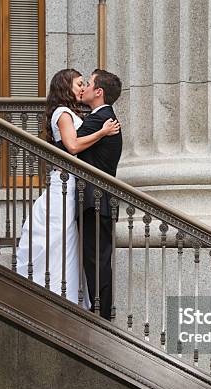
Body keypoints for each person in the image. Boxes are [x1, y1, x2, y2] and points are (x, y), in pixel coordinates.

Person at [16, 69, 120, 307]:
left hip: (74, 187)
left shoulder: (73, 113)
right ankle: (51, 293)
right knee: (58, 240)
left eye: (86, 83)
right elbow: (72, 146)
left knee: (67, 244)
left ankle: (65, 297)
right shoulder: (63, 113)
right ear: (66, 87)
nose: (82, 87)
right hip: (65, 186)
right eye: (79, 83)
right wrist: (102, 131)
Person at [74, 69, 123, 320]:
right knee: (98, 260)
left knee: (96, 262)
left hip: (95, 201)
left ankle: (101, 316)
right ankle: (101, 313)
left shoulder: (99, 119)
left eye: (89, 84)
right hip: (100, 201)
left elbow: (66, 146)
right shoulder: (102, 119)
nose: (84, 88)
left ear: (99, 91)